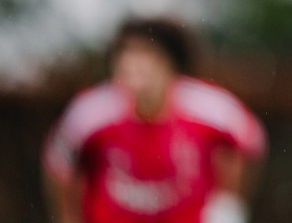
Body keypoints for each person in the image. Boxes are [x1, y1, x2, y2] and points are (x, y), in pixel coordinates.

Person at [42, 16, 266, 223]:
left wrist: (228, 204)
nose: (132, 64)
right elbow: (59, 167)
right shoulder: (89, 113)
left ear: (171, 63)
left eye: (146, 54)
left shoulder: (211, 108)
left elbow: (249, 144)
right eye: (126, 54)